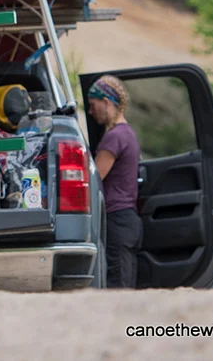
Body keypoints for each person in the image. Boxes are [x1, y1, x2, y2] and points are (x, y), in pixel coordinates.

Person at [88, 75, 142, 289]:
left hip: (117, 219)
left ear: (106, 102)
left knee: (117, 287)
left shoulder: (115, 137)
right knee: (126, 284)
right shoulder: (128, 133)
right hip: (129, 218)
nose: (91, 112)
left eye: (93, 105)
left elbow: (95, 177)